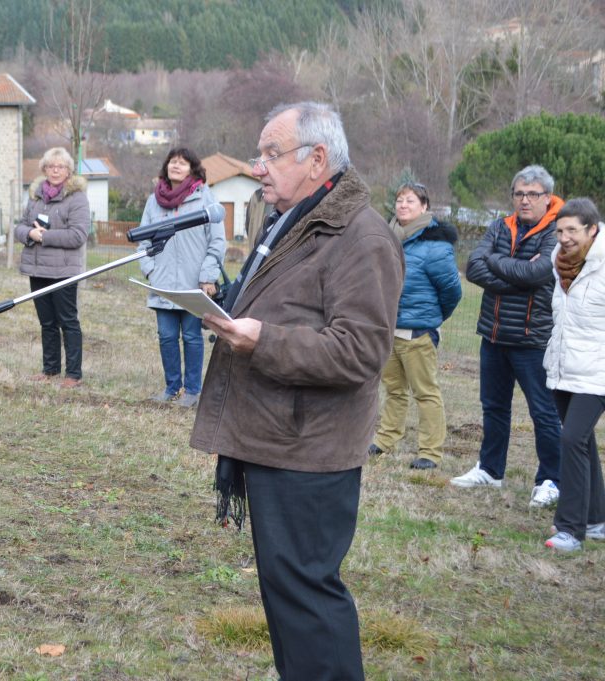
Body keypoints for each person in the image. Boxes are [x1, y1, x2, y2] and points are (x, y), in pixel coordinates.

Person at [192, 102, 404, 681]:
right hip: (272, 436)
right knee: (285, 593)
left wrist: (262, 340)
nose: (258, 167)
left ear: (317, 159)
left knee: (307, 595)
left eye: (270, 154)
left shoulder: (361, 237)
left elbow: (361, 352)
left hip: (310, 449)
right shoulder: (289, 216)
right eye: (259, 154)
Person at [451, 165, 562, 508]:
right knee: (494, 407)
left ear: (547, 197)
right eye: (519, 194)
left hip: (532, 340)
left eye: (532, 194)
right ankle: (490, 469)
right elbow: (474, 267)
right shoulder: (500, 225)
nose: (525, 200)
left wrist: (498, 263)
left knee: (543, 413)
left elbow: (539, 273)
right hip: (494, 335)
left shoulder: (556, 230)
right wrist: (520, 276)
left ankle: (550, 479)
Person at [369, 182, 462, 469]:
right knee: (393, 390)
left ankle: (430, 452)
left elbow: (452, 292)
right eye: (399, 200)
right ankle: (386, 439)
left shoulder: (435, 245)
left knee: (425, 392)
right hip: (388, 330)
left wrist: (430, 319)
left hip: (417, 333)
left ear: (424, 207)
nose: (403, 205)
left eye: (410, 200)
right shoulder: (387, 237)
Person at [137, 147, 226, 408]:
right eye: (172, 162)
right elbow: (142, 240)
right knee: (166, 337)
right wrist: (150, 270)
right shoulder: (154, 201)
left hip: (193, 284)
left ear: (192, 169)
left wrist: (208, 276)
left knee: (191, 337)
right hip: (162, 284)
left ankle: (192, 392)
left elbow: (217, 242)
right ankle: (171, 388)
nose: (176, 166)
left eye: (183, 163)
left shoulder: (205, 198)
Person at [541, 198, 605, 551]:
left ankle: (570, 530)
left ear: (592, 230)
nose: (564, 238)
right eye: (560, 230)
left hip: (598, 373)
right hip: (564, 368)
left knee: (571, 439)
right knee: (581, 441)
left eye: (572, 230)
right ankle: (597, 519)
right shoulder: (559, 263)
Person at [13, 147, 90, 388]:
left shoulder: (76, 198)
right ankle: (50, 369)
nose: (55, 170)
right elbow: (20, 227)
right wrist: (30, 233)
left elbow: (78, 235)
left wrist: (43, 237)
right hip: (38, 270)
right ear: (44, 169)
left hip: (64, 271)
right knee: (47, 323)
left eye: (60, 166)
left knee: (68, 321)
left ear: (68, 171)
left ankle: (73, 374)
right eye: (50, 166)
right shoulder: (35, 195)